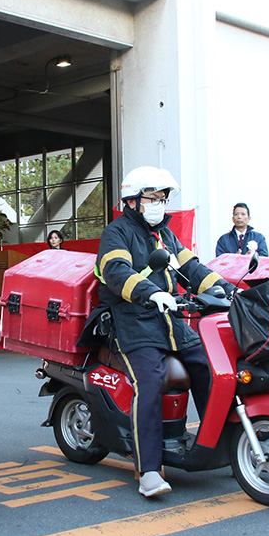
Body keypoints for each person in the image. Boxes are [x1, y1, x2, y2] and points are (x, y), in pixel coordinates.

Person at [96, 166, 232, 497]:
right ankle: (149, 470)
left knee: (213, 369)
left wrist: (229, 290)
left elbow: (193, 268)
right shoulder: (116, 233)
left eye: (162, 199)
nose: (159, 204)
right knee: (151, 381)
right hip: (133, 321)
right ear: (131, 201)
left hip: (172, 323)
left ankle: (219, 445)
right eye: (152, 198)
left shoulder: (166, 235)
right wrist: (151, 293)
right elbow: (114, 270)